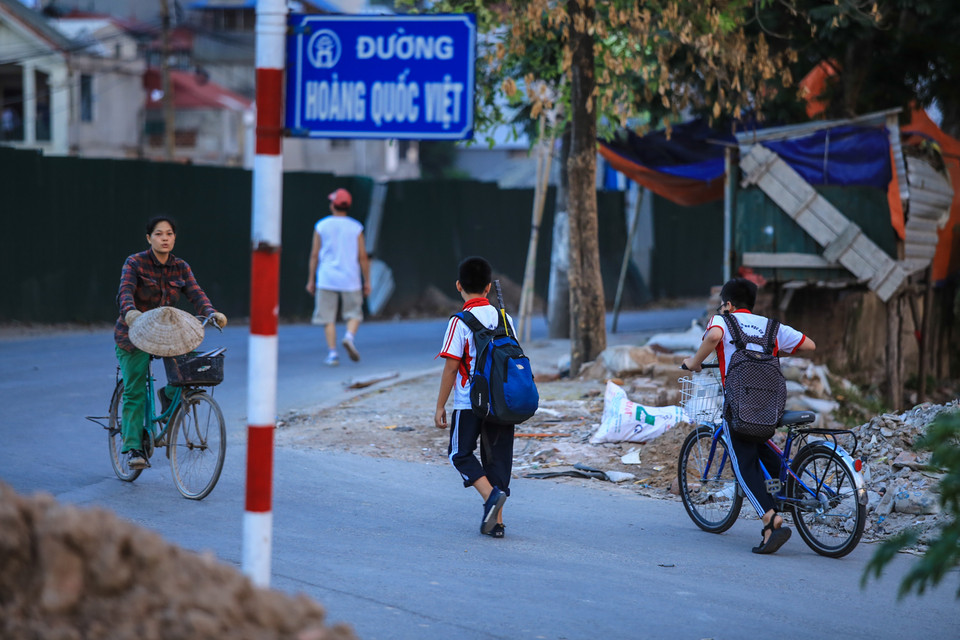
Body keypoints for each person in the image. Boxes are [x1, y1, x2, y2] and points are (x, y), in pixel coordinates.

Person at [682, 277, 816, 554]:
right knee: (760, 447)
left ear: (728, 304)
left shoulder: (722, 320)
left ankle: (772, 519)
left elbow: (714, 337)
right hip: (771, 405)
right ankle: (793, 491)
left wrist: (694, 363)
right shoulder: (771, 327)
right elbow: (809, 345)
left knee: (743, 465)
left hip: (741, 405)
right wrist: (777, 348)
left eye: (723, 305)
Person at [115, 216, 226, 470]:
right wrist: (131, 313)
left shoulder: (181, 267)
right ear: (149, 238)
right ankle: (133, 448)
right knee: (135, 391)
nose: (164, 238)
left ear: (174, 237)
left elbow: (196, 293)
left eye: (169, 234)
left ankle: (168, 395)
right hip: (134, 334)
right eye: (158, 234)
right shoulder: (135, 263)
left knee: (191, 371)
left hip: (170, 333)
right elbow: (125, 293)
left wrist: (211, 312)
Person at [434, 256, 515, 538]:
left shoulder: (459, 322)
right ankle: (497, 523)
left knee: (459, 453)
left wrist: (440, 404)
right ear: (488, 288)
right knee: (498, 460)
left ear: (459, 286)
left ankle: (491, 497)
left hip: (470, 402)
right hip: (502, 402)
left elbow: (451, 366)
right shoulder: (505, 318)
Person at [306, 188, 371, 366]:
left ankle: (333, 354)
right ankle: (349, 337)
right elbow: (363, 256)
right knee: (354, 313)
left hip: (326, 277)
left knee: (327, 318)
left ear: (333, 205)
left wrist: (311, 279)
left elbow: (314, 254)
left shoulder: (321, 225)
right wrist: (367, 280)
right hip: (351, 278)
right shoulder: (356, 227)